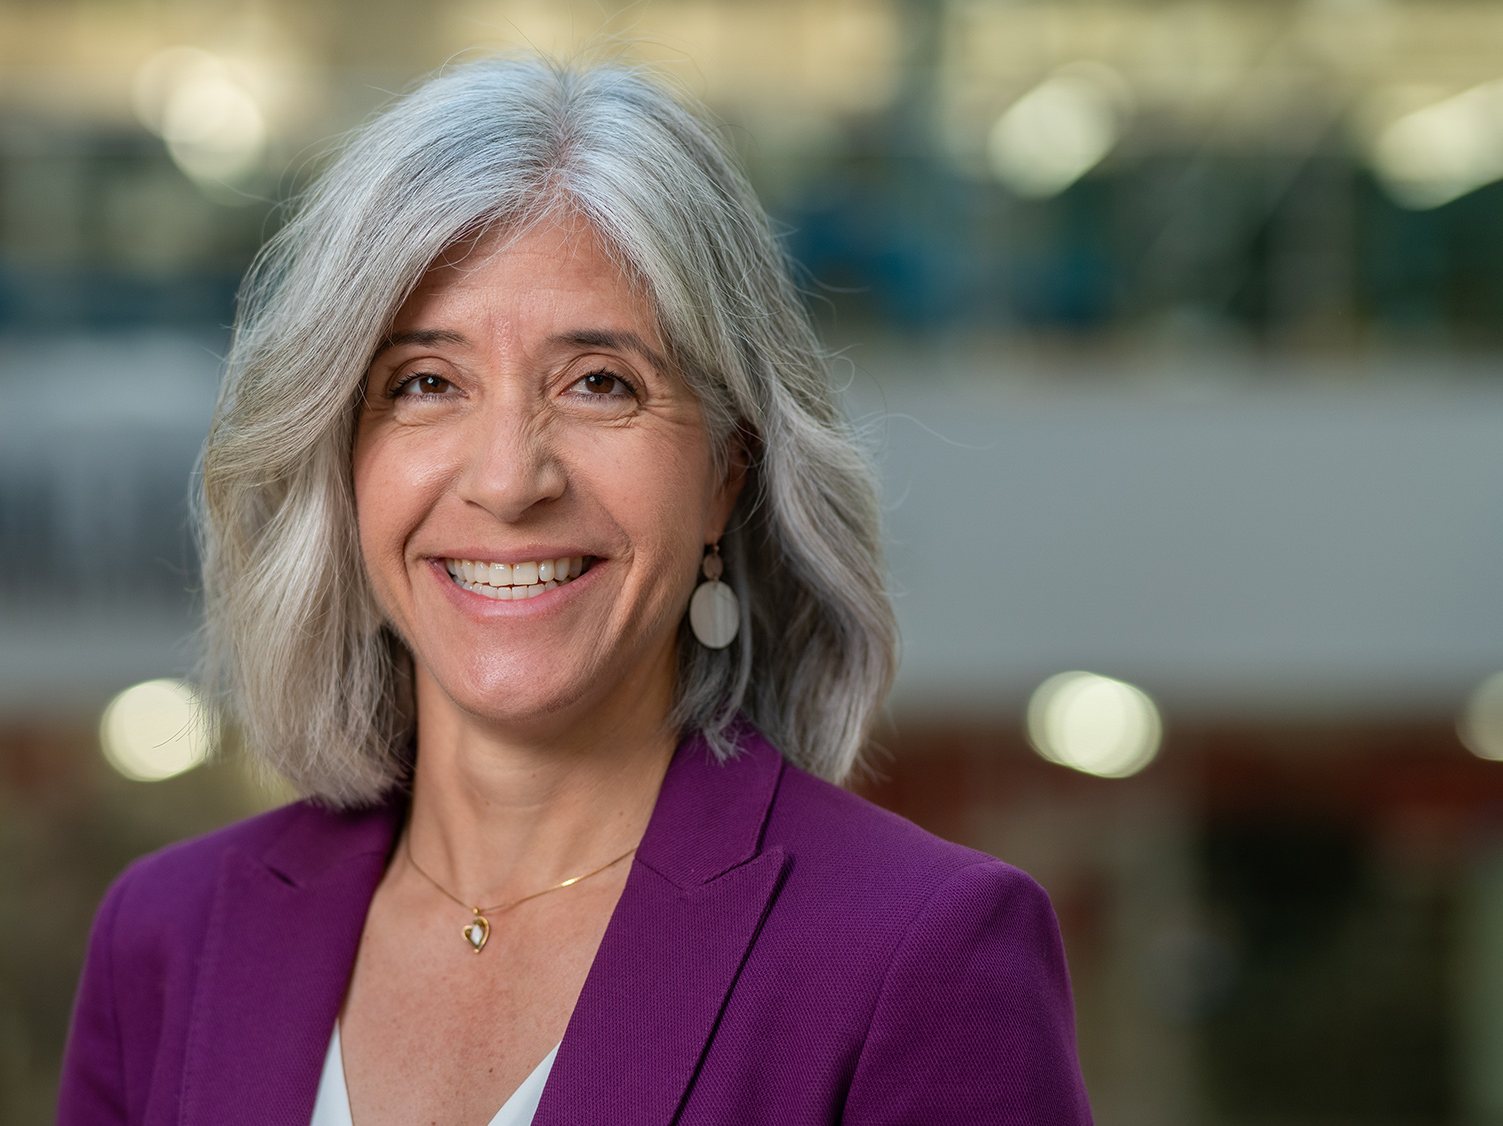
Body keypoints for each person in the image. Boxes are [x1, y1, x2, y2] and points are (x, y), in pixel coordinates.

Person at [58, 54, 1092, 1126]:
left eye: (599, 383)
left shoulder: (920, 957)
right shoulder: (167, 940)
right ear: (339, 459)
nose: (509, 479)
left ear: (725, 469)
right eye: (425, 384)